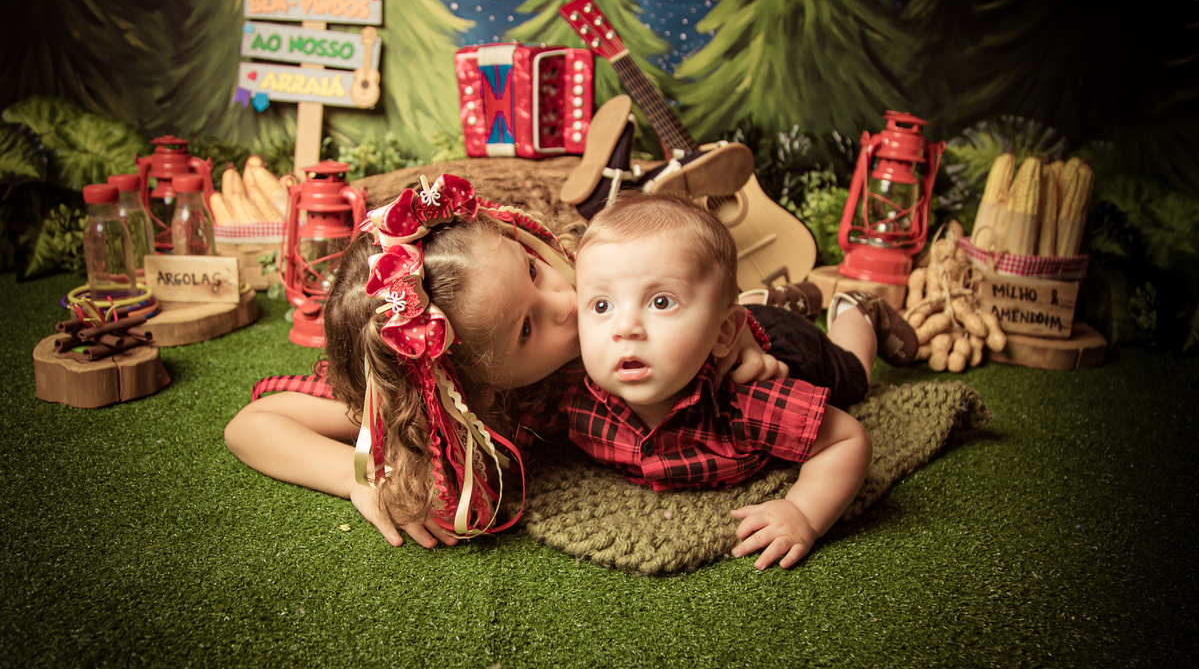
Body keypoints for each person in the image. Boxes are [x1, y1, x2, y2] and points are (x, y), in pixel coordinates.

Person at [224, 173, 913, 549]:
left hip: (760, 344)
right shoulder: (471, 397)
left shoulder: (646, 328)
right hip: (692, 319)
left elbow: (652, 267)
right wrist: (355, 481)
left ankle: (856, 311)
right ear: (472, 388)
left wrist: (738, 339)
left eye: (534, 265)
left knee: (850, 375)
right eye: (530, 325)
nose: (570, 297)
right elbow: (251, 425)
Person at [563, 193, 872, 569]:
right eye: (601, 306)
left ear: (725, 333)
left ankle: (859, 311)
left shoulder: (747, 402)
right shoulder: (573, 399)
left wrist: (802, 512)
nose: (625, 327)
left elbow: (846, 438)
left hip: (786, 347)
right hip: (729, 317)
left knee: (855, 378)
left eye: (661, 302)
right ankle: (780, 297)